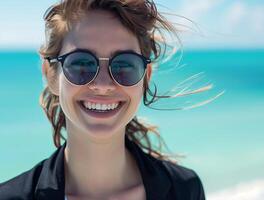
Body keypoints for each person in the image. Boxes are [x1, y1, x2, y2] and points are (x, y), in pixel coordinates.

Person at [0, 0, 206, 199]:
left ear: (145, 77)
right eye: (81, 62)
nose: (103, 85)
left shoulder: (185, 190)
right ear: (51, 75)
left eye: (124, 64)